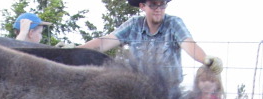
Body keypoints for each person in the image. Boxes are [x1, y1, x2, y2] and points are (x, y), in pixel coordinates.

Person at [79, 0, 222, 85]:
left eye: (162, 4)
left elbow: (188, 43)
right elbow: (105, 41)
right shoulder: (134, 24)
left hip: (169, 93)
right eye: (153, 4)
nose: (158, 9)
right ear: (142, 6)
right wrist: (76, 50)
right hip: (139, 90)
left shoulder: (174, 23)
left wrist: (205, 59)